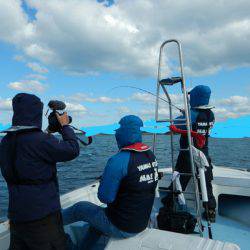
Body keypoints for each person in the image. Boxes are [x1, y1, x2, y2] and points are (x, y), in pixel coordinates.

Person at [62, 115, 158, 249]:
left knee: (80, 208)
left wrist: (105, 181)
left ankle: (48, 221)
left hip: (123, 227)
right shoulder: (149, 154)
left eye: (119, 127)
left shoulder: (119, 159)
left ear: (124, 131)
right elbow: (135, 180)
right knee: (96, 223)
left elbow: (105, 197)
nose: (116, 131)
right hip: (141, 222)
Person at [0, 93, 80, 250]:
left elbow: (30, 151)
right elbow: (72, 149)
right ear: (37, 113)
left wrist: (49, 130)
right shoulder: (40, 141)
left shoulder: (6, 142)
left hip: (17, 215)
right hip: (42, 216)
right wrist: (65, 127)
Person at [173, 85, 216, 221]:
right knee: (206, 182)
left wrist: (184, 114)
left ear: (195, 97)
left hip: (188, 153)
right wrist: (187, 113)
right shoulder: (210, 114)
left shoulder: (191, 114)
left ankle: (170, 203)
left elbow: (177, 124)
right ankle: (211, 210)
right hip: (204, 153)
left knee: (180, 178)